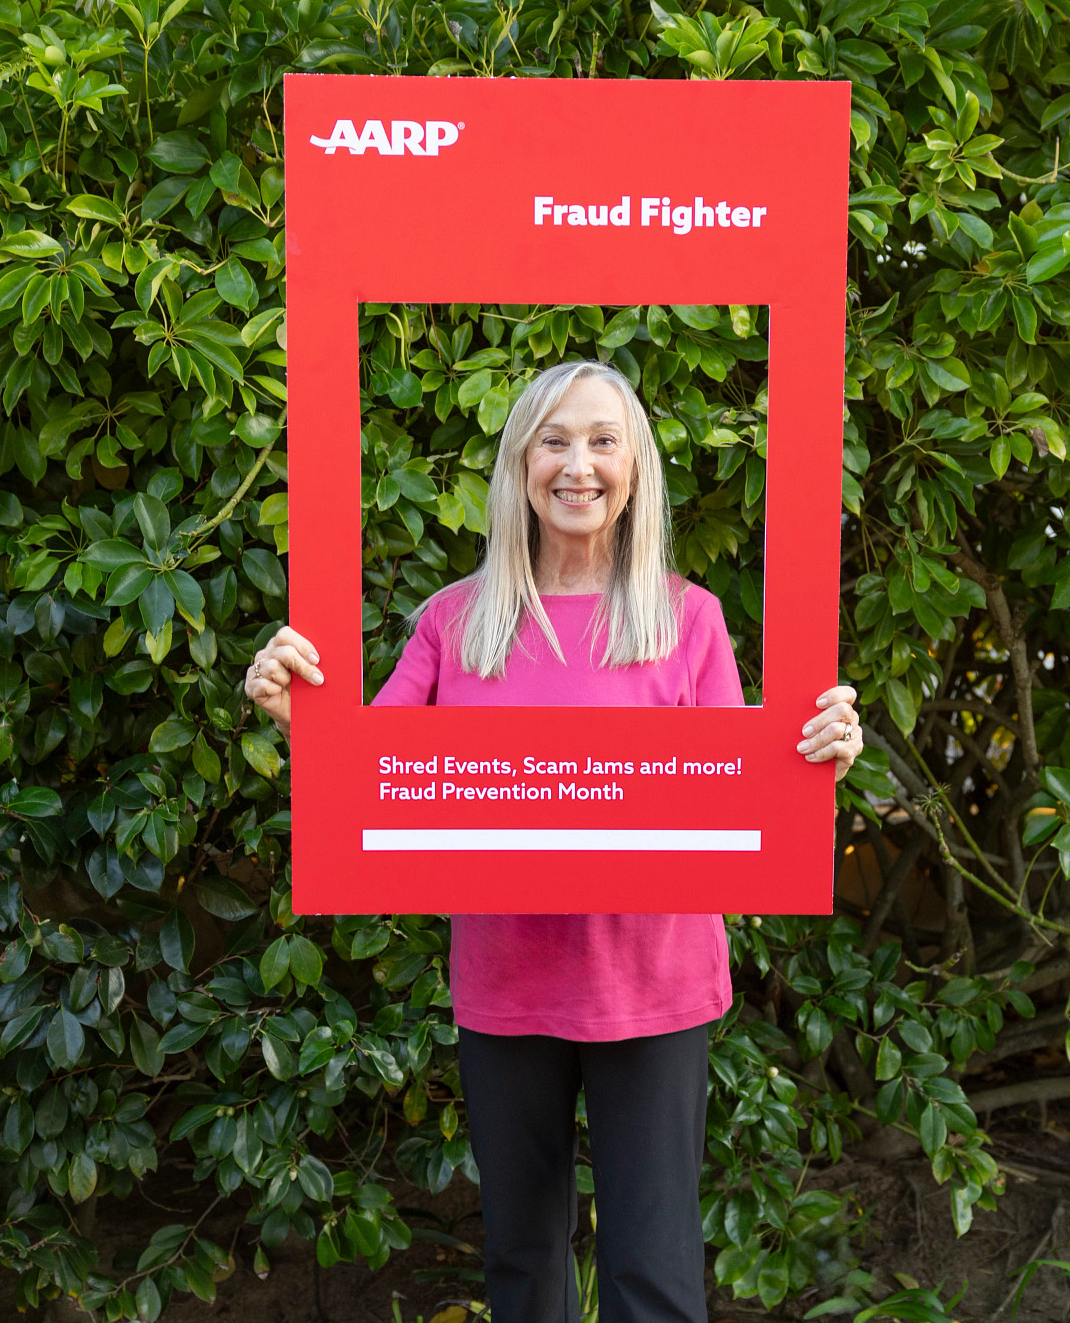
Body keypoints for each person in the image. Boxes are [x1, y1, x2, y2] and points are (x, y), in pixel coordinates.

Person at [243, 359, 862, 1323]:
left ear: (635, 466)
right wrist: (299, 718)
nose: (579, 465)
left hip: (653, 985)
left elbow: (740, 804)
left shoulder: (689, 618)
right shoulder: (455, 622)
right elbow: (370, 782)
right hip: (509, 983)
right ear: (519, 465)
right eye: (554, 440)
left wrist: (820, 754)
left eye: (603, 440)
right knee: (523, 1261)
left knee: (653, 1271)